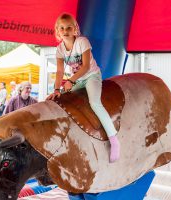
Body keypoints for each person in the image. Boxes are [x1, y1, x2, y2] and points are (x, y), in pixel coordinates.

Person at [46, 13, 120, 163]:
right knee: (63, 100)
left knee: (94, 103)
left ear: (75, 30)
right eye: (62, 28)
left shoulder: (82, 42)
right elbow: (60, 72)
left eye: (68, 28)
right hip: (77, 80)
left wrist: (71, 81)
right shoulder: (60, 49)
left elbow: (86, 66)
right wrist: (56, 90)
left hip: (91, 76)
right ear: (57, 31)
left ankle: (114, 140)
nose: (65, 31)